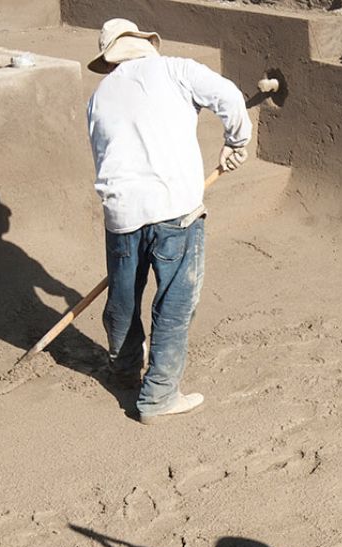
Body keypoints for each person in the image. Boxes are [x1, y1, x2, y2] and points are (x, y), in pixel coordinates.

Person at [86, 18, 251, 423]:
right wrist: (237, 140)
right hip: (175, 208)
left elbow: (104, 153)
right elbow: (228, 95)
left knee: (123, 301)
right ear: (145, 45)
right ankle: (159, 396)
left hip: (121, 212)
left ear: (109, 61)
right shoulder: (176, 68)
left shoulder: (100, 95)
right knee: (175, 302)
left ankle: (124, 370)